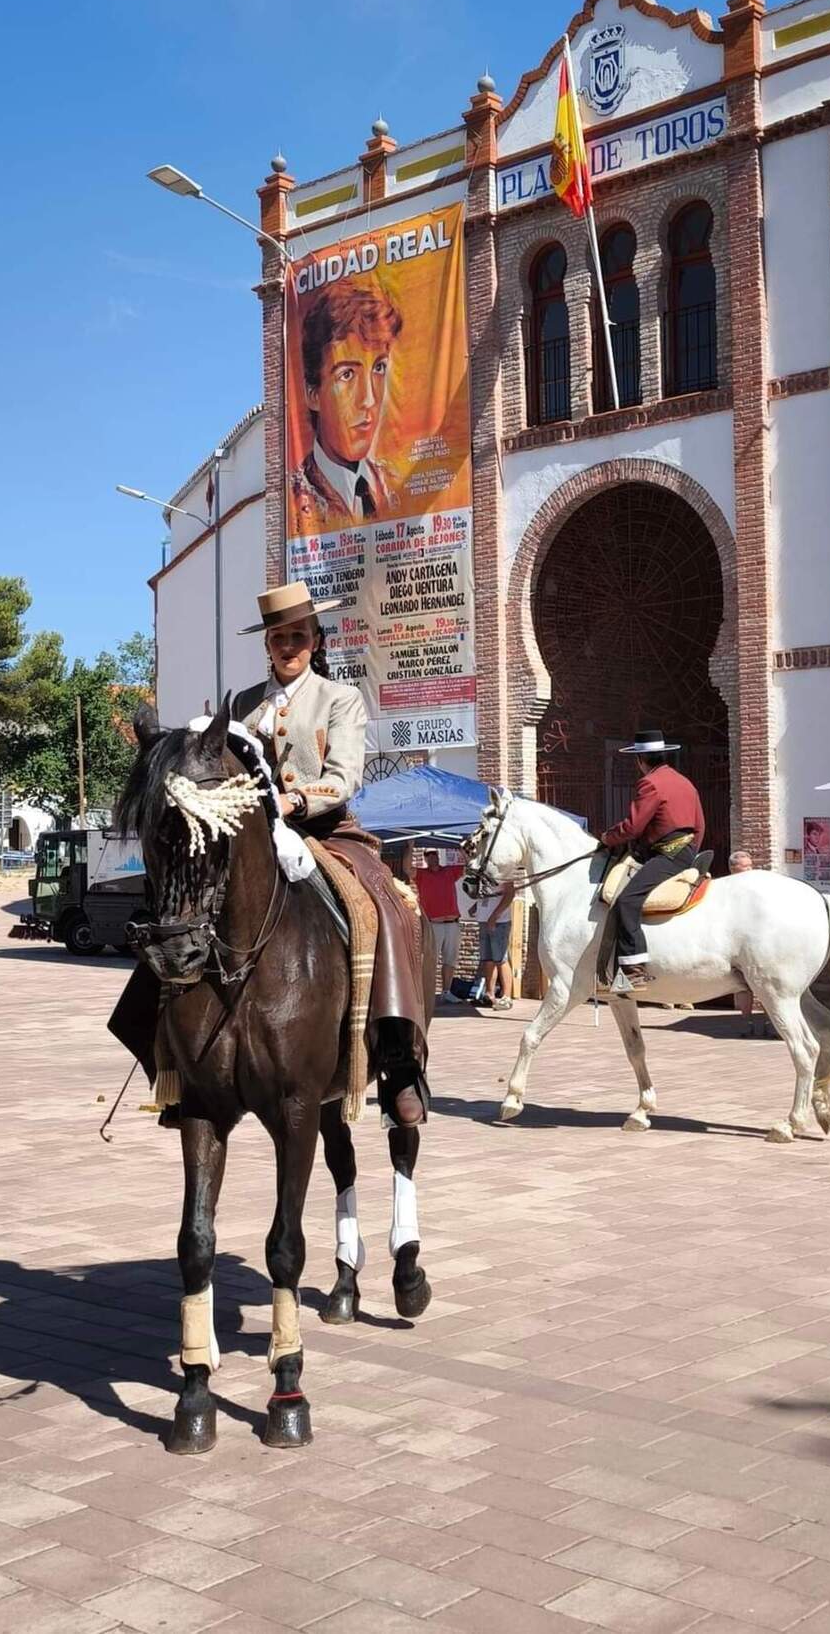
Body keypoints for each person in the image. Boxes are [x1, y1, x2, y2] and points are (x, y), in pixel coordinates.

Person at [234, 580, 429, 1125]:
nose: (288, 647)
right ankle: (177, 1063)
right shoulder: (243, 704)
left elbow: (344, 777)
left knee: (385, 906)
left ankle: (397, 1059)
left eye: (298, 636)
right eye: (279, 638)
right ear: (267, 645)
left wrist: (293, 799)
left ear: (317, 641)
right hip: (255, 838)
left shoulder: (341, 700)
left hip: (327, 832)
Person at [600, 728, 706, 992]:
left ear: (640, 760)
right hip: (686, 851)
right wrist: (690, 851)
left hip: (668, 855)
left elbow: (634, 827)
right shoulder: (684, 782)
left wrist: (606, 838)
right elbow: (701, 825)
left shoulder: (650, 783)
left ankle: (634, 969)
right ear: (662, 755)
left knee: (626, 900)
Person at [290, 283, 401, 532]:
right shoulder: (293, 500)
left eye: (379, 368)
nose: (369, 400)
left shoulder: (395, 486)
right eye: (347, 374)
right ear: (313, 394)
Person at [729, 848, 772, 1038]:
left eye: (750, 866)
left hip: (761, 942)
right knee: (743, 985)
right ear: (733, 869)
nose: (748, 871)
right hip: (738, 944)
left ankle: (770, 1021)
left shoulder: (759, 886)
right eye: (743, 867)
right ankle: (745, 1021)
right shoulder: (727, 888)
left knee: (766, 983)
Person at [414, 848, 463, 1004]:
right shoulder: (421, 874)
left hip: (453, 923)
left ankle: (446, 992)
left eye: (434, 854)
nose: (432, 857)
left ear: (438, 856)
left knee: (450, 960)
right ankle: (426, 993)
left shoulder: (449, 871)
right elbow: (407, 869)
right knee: (430, 960)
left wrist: (463, 849)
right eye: (428, 855)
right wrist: (410, 846)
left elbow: (468, 866)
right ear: (425, 859)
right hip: (434, 924)